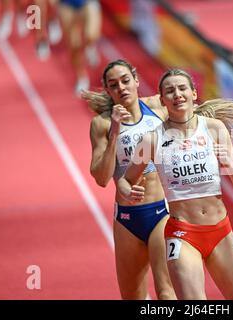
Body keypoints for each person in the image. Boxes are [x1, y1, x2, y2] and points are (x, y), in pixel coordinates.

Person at [117, 69, 233, 300]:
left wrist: (231, 164)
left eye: (182, 89)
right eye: (169, 91)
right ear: (162, 100)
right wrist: (128, 192)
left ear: (193, 93)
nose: (177, 94)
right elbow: (124, 180)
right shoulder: (152, 139)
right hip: (183, 235)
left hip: (221, 230)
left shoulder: (215, 128)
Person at [81, 59, 176, 300]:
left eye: (125, 81)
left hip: (161, 213)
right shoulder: (101, 124)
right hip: (127, 219)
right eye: (114, 85)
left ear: (136, 80)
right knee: (132, 297)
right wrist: (114, 132)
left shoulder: (158, 108)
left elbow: (188, 109)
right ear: (108, 91)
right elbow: (102, 178)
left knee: (166, 292)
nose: (121, 88)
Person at [58, 0, 102, 95]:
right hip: (66, 4)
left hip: (87, 2)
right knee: (74, 45)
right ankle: (81, 77)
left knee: (90, 35)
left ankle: (89, 47)